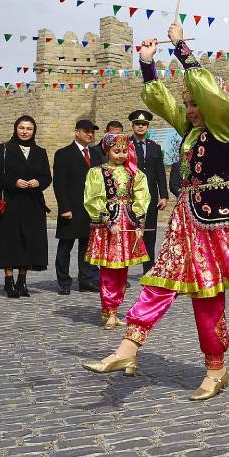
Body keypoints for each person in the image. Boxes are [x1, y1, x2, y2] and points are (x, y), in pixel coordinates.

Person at [82, 24, 229, 401]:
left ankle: (215, 368)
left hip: (215, 222)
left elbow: (209, 93)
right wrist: (148, 64)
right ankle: (128, 347)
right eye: (187, 105)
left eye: (195, 104)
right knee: (161, 280)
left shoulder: (225, 125)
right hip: (186, 219)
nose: (189, 111)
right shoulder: (192, 130)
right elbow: (163, 104)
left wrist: (180, 47)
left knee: (207, 295)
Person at [83, 133, 150, 329]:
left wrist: (138, 223)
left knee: (122, 270)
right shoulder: (98, 172)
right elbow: (93, 198)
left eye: (124, 151)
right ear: (107, 151)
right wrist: (108, 221)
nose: (121, 155)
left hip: (127, 225)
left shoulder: (134, 173)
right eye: (116, 151)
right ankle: (109, 310)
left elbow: (141, 198)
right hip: (109, 227)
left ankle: (112, 310)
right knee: (109, 269)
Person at [0, 116, 52, 298]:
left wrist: (38, 182)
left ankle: (22, 281)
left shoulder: (40, 151)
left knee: (29, 241)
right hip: (11, 201)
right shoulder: (4, 148)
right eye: (22, 128)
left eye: (29, 129)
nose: (25, 132)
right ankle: (9, 280)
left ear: (34, 131)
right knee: (10, 241)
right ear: (16, 128)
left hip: (33, 203)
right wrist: (14, 182)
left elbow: (47, 176)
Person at [53, 119, 102, 295]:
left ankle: (86, 279)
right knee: (65, 246)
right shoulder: (63, 153)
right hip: (71, 208)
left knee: (87, 246)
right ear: (77, 132)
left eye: (92, 132)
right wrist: (64, 207)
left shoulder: (96, 154)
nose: (90, 134)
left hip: (90, 210)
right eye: (86, 131)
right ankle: (64, 281)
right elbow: (59, 183)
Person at [128, 110, 169, 272]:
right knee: (129, 232)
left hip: (150, 196)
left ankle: (148, 269)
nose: (140, 127)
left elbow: (160, 172)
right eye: (138, 124)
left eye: (144, 124)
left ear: (147, 127)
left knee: (150, 233)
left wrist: (163, 195)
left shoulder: (155, 147)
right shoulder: (126, 145)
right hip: (131, 196)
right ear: (133, 126)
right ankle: (122, 271)